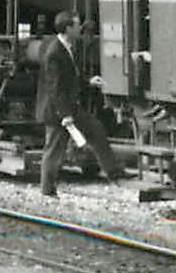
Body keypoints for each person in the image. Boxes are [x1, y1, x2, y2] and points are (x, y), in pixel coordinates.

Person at [35, 11, 127, 196]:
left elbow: (71, 78)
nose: (80, 28)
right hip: (58, 110)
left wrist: (89, 81)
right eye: (77, 25)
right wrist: (66, 115)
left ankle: (113, 173)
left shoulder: (68, 47)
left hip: (68, 106)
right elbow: (55, 88)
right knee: (54, 149)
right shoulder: (54, 52)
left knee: (96, 129)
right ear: (68, 28)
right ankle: (47, 190)